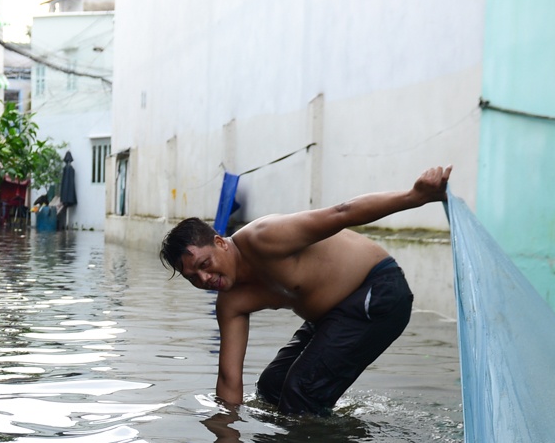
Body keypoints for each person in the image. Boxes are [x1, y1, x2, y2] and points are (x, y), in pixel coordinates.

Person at [162, 166, 451, 415]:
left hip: (378, 290)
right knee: (272, 386)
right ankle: (311, 439)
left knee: (300, 391)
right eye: (193, 278)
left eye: (205, 264)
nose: (204, 278)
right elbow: (228, 379)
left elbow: (343, 212)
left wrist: (416, 197)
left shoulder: (266, 237)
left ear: (220, 243)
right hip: (331, 314)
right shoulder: (231, 303)